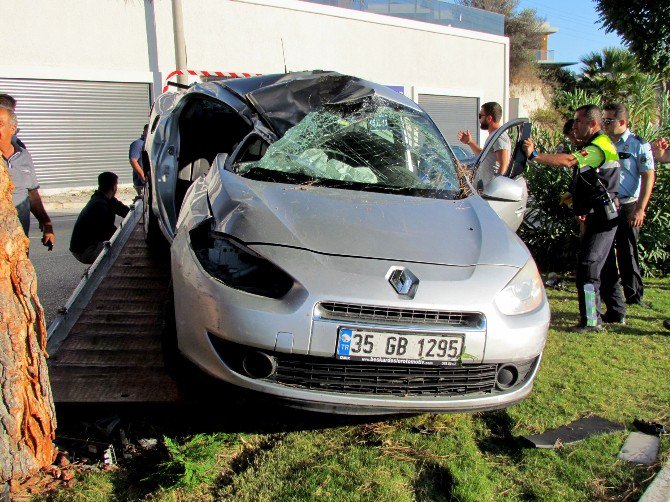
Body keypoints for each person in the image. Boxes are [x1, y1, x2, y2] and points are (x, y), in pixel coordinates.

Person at [523, 104, 626, 331]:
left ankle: (591, 320)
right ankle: (617, 313)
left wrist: (535, 155)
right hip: (599, 216)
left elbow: (570, 161)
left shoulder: (599, 146)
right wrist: (573, 195)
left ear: (593, 124)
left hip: (603, 218)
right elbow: (590, 179)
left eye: (578, 121)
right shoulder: (594, 144)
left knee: (589, 268)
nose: (574, 126)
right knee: (606, 266)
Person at [602, 103, 655, 308]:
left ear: (622, 122)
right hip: (608, 204)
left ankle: (634, 296)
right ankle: (612, 295)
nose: (605, 124)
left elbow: (648, 176)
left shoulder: (638, 144)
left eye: (609, 120)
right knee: (606, 252)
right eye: (604, 120)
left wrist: (640, 208)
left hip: (628, 205)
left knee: (628, 252)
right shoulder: (604, 143)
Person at [0, 105, 54, 249]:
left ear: (12, 129)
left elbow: (32, 193)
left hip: (18, 240)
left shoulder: (24, 156)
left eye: (0, 124)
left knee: (21, 270)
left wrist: (46, 223)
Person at [70, 172, 130, 264]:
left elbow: (125, 211)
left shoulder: (106, 199)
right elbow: (109, 232)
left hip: (85, 246)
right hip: (84, 251)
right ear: (114, 187)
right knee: (122, 247)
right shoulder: (99, 205)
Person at [457, 102, 511, 189]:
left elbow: (504, 166)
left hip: (490, 195)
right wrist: (470, 142)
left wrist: (495, 190)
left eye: (480, 116)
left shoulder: (499, 137)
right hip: (483, 192)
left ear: (489, 118)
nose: (479, 120)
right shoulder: (493, 136)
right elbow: (484, 156)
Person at [129, 124, 148, 197]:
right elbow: (133, 161)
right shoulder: (138, 144)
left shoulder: (151, 144)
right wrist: (143, 177)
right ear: (144, 131)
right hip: (142, 183)